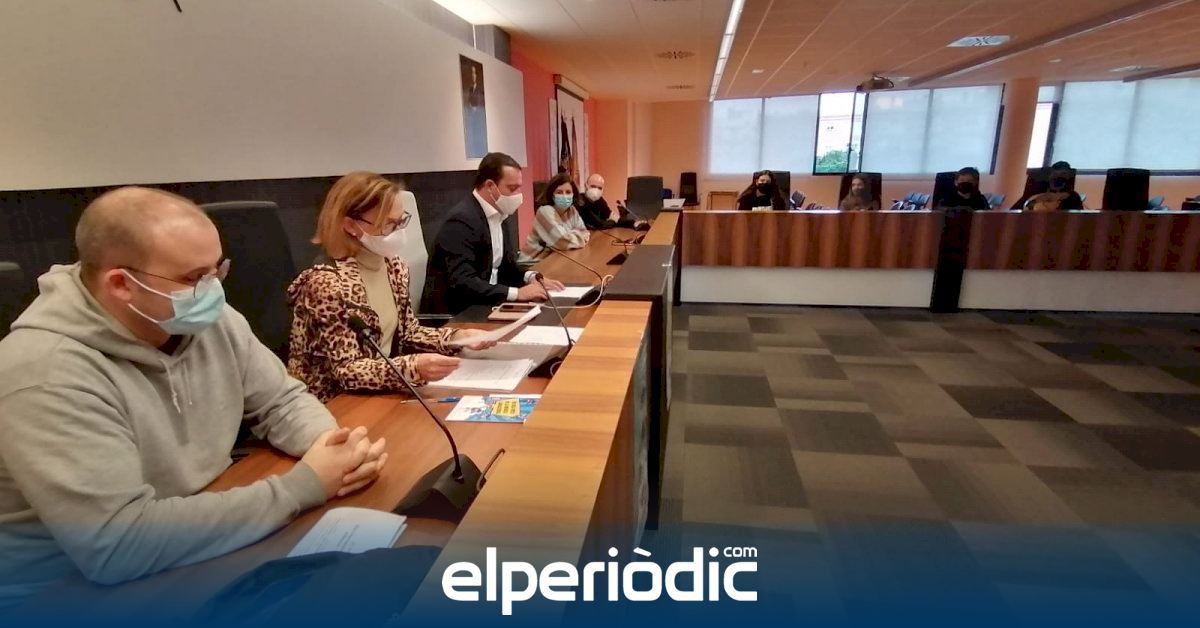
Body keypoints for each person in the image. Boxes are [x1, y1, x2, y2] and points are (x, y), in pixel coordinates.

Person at [0, 187, 386, 607]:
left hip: (189, 537)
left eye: (217, 271)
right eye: (192, 278)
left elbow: (280, 400)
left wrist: (333, 447)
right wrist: (302, 487)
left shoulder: (207, 320)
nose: (212, 290)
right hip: (65, 593)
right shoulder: (45, 373)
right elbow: (116, 544)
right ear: (121, 284)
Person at [287, 172, 495, 402]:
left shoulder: (394, 267)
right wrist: (412, 367)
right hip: (331, 403)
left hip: (377, 393)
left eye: (400, 222)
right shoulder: (326, 284)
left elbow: (408, 333)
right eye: (388, 225)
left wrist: (458, 337)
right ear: (350, 225)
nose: (398, 232)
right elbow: (347, 370)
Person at [431, 152, 564, 314]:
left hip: (490, 302)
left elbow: (506, 267)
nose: (518, 195)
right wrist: (516, 294)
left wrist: (531, 277)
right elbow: (462, 282)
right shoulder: (461, 221)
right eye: (512, 188)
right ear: (490, 186)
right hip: (461, 311)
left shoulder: (500, 214)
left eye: (519, 188)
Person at [519, 173, 591, 264]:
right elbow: (562, 242)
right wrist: (575, 236)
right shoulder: (545, 211)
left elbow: (585, 232)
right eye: (559, 192)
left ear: (573, 194)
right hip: (532, 264)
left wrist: (569, 237)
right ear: (552, 194)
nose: (564, 196)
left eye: (568, 192)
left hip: (555, 258)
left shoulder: (572, 210)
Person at [577, 174, 648, 230]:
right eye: (593, 186)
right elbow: (600, 225)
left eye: (599, 188)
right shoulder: (580, 201)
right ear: (586, 186)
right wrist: (612, 222)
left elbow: (614, 217)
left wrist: (633, 223)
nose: (596, 190)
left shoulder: (600, 200)